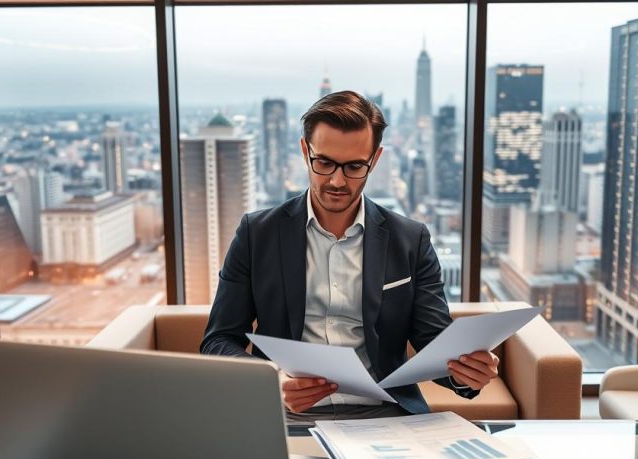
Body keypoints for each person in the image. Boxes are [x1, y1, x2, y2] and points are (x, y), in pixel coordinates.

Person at [200, 91, 499, 421]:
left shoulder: (410, 239)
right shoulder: (257, 234)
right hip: (282, 413)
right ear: (304, 151)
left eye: (355, 166)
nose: (337, 181)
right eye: (324, 162)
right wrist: (273, 379)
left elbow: (433, 343)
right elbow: (218, 340)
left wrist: (463, 374)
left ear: (376, 159)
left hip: (385, 414)